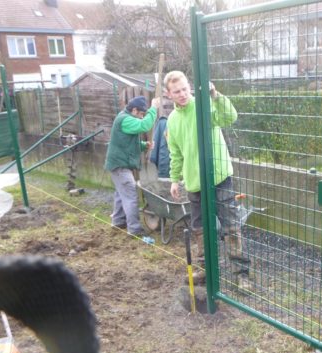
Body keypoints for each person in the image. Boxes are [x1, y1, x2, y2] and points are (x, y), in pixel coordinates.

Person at [164, 70, 250, 289]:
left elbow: (229, 117)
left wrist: (215, 96)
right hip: (194, 182)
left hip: (219, 176)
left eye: (185, 89)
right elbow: (175, 153)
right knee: (201, 228)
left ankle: (242, 275)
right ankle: (207, 271)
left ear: (189, 87)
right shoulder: (172, 121)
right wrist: (175, 179)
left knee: (231, 225)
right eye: (177, 91)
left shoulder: (204, 107)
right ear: (169, 94)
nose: (182, 94)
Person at [105, 95, 160, 236]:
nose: (142, 117)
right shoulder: (125, 119)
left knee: (121, 193)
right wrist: (154, 108)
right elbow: (145, 126)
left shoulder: (124, 118)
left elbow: (126, 142)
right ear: (134, 110)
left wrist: (143, 145)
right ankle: (134, 229)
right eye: (141, 114)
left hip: (119, 164)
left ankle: (118, 221)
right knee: (130, 195)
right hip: (119, 165)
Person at [149, 94, 174, 178]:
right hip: (168, 166)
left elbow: (154, 152)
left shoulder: (162, 123)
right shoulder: (163, 123)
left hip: (165, 167)